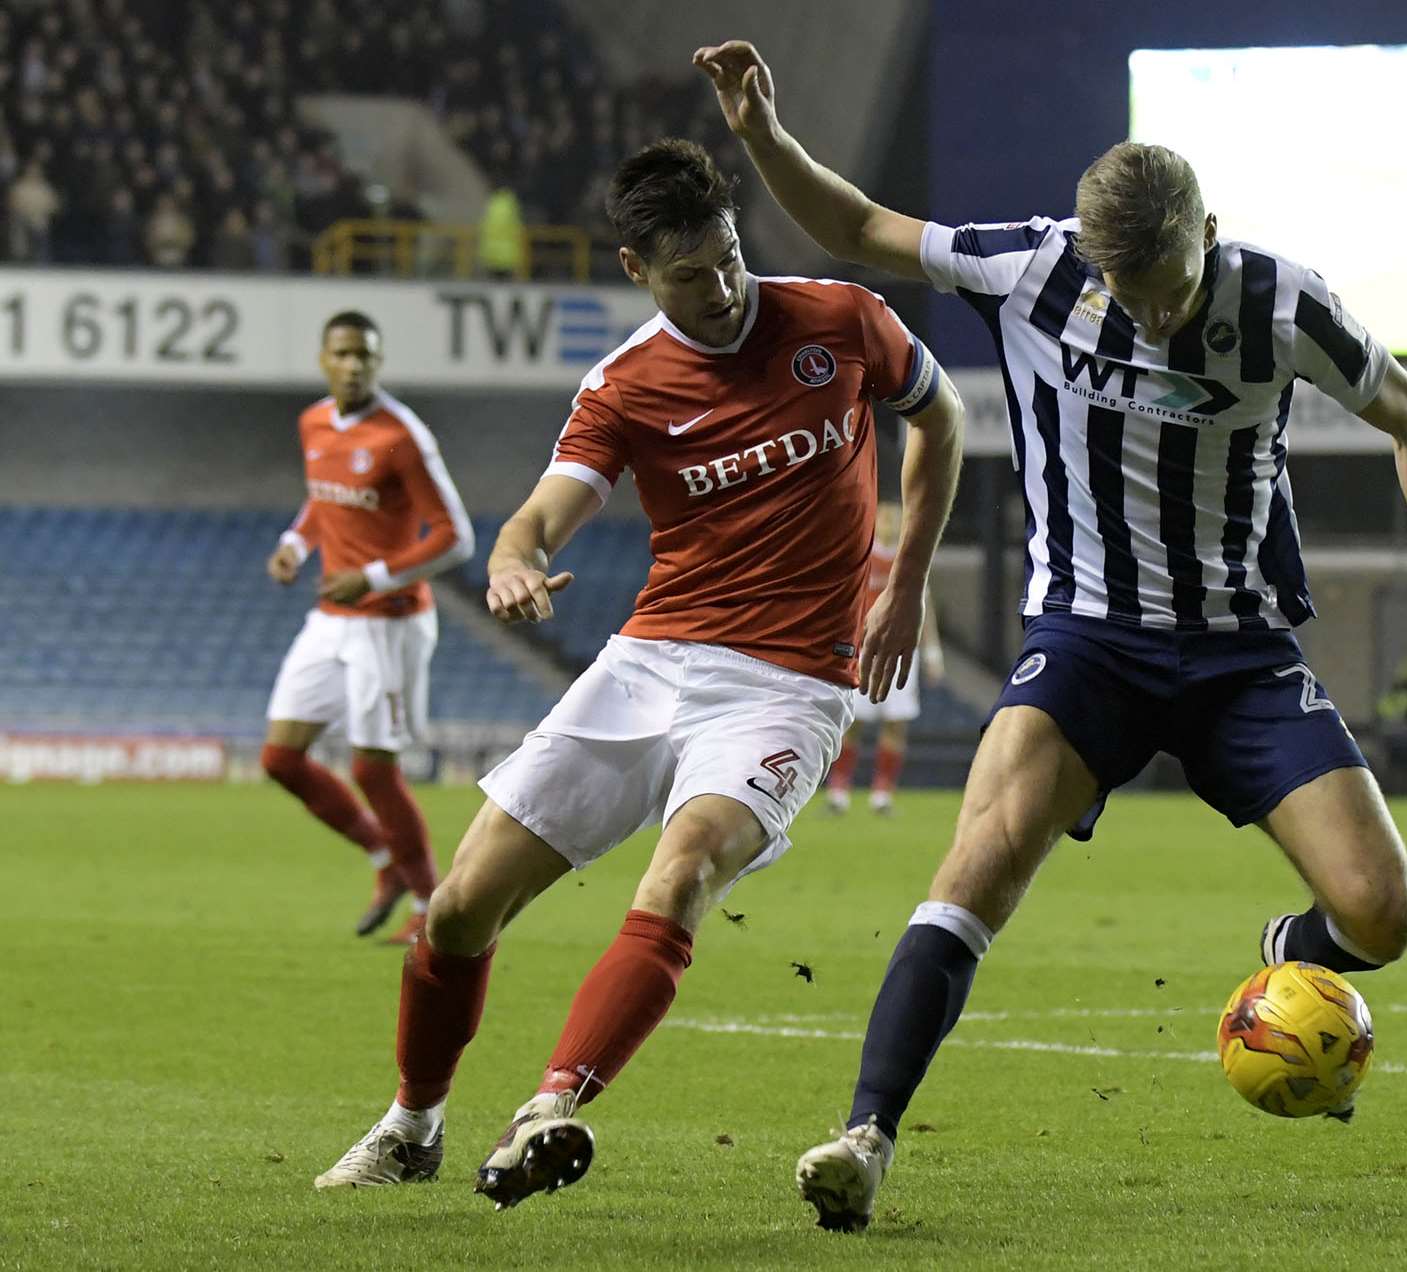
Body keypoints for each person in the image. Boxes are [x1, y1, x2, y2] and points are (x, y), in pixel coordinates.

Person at [695, 40, 1407, 1230]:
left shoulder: (1283, 303)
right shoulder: (1033, 271)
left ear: (1208, 230)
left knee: (1383, 916)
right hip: (1086, 644)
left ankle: (1288, 943)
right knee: (975, 871)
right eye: (1130, 292)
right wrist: (763, 138)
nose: (1154, 311)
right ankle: (864, 1134)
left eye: (1169, 286)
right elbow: (859, 225)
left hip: (1240, 654)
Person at [313, 139, 965, 1207]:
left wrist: (905, 587)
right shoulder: (623, 383)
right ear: (634, 271)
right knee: (460, 910)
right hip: (649, 659)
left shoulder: (839, 319)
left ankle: (548, 1107)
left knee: (686, 870)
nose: (719, 289)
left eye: (725, 258)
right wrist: (518, 556)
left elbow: (938, 418)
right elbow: (542, 511)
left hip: (789, 684)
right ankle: (411, 1128)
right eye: (687, 276)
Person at [262, 311, 474, 944]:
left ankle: (428, 904)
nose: (354, 366)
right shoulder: (313, 422)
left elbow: (454, 537)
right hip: (332, 617)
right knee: (279, 757)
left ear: (377, 363)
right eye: (344, 355)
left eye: (366, 356)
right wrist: (295, 546)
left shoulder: (401, 435)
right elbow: (322, 500)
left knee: (374, 771)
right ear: (325, 359)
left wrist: (375, 576)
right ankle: (387, 860)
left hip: (389, 622)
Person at [826, 501, 944, 814]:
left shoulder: (911, 562)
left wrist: (933, 653)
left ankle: (882, 794)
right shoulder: (863, 556)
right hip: (865, 649)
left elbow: (924, 609)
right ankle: (839, 791)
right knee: (854, 721)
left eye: (896, 518)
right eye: (885, 518)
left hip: (903, 650)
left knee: (896, 723)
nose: (891, 523)